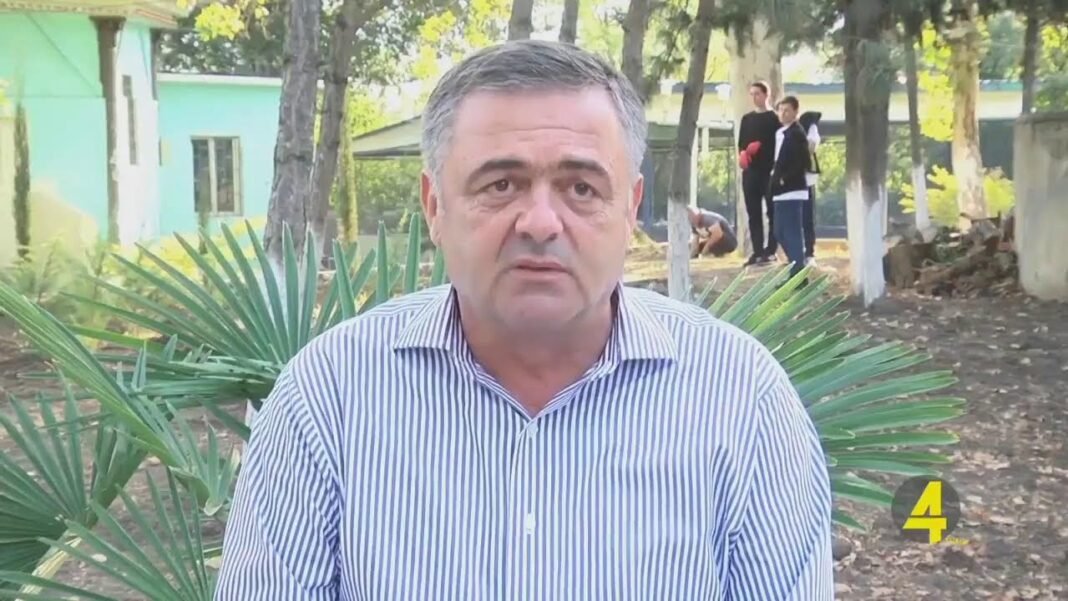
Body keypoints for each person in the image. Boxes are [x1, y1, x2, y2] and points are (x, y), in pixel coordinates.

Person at [215, 40, 833, 600]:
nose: (540, 222)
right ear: (435, 206)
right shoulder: (329, 398)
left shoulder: (741, 398)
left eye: (581, 188)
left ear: (630, 209)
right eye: (501, 184)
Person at [737, 81, 781, 266]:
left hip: (768, 172)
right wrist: (743, 154)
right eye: (752, 94)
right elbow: (741, 144)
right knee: (753, 213)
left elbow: (778, 145)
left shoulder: (774, 118)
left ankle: (771, 251)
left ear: (766, 95)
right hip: (751, 172)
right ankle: (757, 251)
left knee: (773, 212)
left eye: (757, 94)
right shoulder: (747, 119)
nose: (754, 98)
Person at [769, 96, 812, 280]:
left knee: (791, 232)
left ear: (795, 112)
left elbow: (803, 162)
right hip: (780, 191)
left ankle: (798, 275)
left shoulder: (797, 134)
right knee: (779, 232)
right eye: (780, 110)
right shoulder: (781, 133)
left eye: (787, 110)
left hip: (792, 190)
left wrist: (784, 179)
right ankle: (796, 267)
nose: (783, 113)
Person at [798, 110, 823, 263]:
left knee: (806, 219)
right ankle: (803, 252)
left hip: (805, 181)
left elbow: (811, 145)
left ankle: (808, 252)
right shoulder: (807, 128)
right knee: (801, 219)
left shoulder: (808, 128)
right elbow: (812, 143)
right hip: (796, 182)